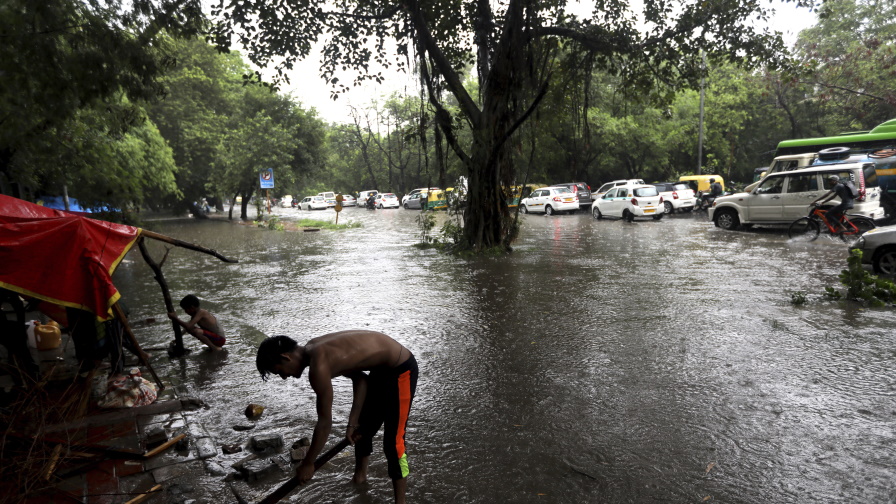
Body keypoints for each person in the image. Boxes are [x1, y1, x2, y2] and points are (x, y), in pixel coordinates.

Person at [256, 331, 418, 504]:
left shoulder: (318, 366)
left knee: (394, 443)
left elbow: (325, 423)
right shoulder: (313, 348)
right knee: (362, 430)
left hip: (401, 369)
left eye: (279, 371)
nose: (283, 376)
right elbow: (361, 380)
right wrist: (352, 423)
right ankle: (360, 478)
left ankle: (400, 502)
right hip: (380, 371)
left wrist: (308, 463)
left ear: (286, 357)